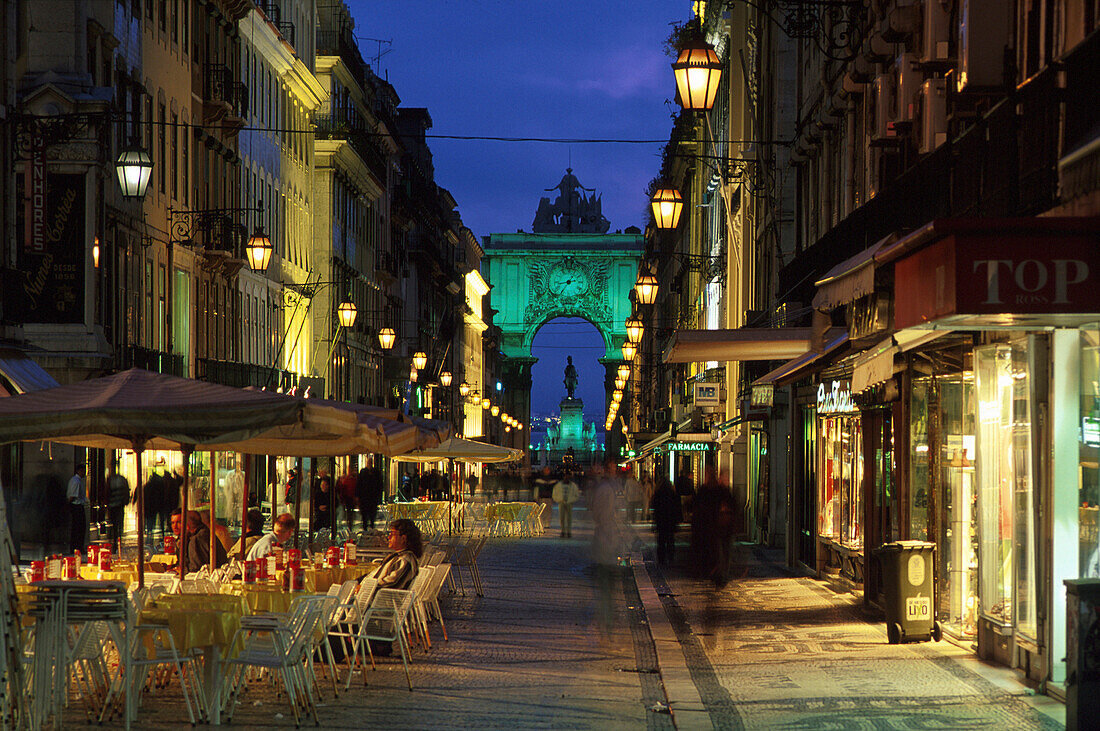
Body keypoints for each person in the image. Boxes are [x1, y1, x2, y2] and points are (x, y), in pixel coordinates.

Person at [171, 509, 228, 573]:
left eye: (179, 522)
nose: (175, 526)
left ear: (187, 525)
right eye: (172, 523)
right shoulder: (187, 538)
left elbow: (197, 568)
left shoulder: (198, 538)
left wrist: (182, 570)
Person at [650, 475, 682, 566]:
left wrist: (655, 521)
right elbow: (677, 508)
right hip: (670, 521)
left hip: (661, 521)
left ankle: (661, 559)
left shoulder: (658, 494)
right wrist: (677, 520)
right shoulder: (673, 494)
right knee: (670, 540)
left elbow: (655, 508)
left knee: (661, 541)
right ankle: (670, 558)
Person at [105, 466, 130, 553]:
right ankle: (118, 542)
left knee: (114, 526)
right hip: (119, 506)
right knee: (118, 525)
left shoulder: (110, 480)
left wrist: (107, 503)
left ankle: (115, 542)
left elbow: (106, 493)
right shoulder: (122, 480)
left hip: (113, 506)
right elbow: (126, 492)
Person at [357, 460, 384, 531]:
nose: (369, 464)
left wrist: (379, 498)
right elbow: (359, 485)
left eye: (370, 462)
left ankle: (372, 528)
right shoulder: (363, 472)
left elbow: (380, 485)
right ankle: (365, 529)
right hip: (364, 499)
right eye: (368, 463)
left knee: (372, 516)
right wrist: (358, 497)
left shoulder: (376, 472)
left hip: (373, 499)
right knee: (364, 517)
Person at [552, 471, 580, 538]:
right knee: (562, 518)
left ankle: (568, 531)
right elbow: (554, 494)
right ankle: (563, 531)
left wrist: (571, 500)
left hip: (569, 503)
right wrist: (558, 500)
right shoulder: (558, 485)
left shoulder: (573, 486)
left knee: (568, 518)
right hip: (561, 502)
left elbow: (577, 495)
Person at [67, 464, 88, 553]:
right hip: (77, 507)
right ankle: (77, 547)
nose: (85, 473)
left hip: (77, 506)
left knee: (78, 528)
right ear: (79, 471)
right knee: (78, 528)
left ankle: (77, 547)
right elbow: (72, 496)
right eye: (83, 471)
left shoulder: (76, 480)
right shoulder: (76, 482)